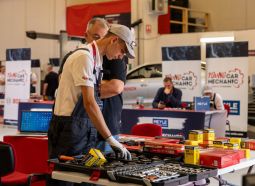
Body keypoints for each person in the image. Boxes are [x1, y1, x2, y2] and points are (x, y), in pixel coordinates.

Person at [48, 22, 135, 165]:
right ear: (113, 40)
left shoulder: (96, 60)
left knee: (82, 178)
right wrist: (110, 139)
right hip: (69, 129)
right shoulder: (84, 57)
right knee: (64, 179)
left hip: (82, 127)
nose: (121, 57)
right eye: (122, 51)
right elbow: (89, 103)